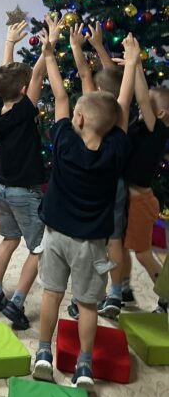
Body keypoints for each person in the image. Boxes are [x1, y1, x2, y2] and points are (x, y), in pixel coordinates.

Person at [33, 29, 138, 389]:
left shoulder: (64, 141)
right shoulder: (115, 151)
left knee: (51, 294)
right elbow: (121, 108)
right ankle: (84, 366)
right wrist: (132, 63)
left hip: (56, 237)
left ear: (77, 120)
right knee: (88, 304)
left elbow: (61, 95)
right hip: (91, 244)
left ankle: (43, 353)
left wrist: (50, 54)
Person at [0, 17, 60, 330]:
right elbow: (38, 73)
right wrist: (48, 46)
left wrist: (9, 43)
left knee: (9, 238)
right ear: (26, 90)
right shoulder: (26, 109)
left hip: (1, 189)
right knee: (39, 248)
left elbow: (6, 78)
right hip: (23, 191)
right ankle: (16, 303)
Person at [69, 22, 131, 319]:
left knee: (87, 240)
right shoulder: (119, 114)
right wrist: (101, 48)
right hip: (115, 182)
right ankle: (115, 292)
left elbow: (85, 74)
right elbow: (119, 84)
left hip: (91, 182)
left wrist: (77, 46)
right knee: (115, 238)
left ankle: (81, 296)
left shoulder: (92, 107)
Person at [121, 73, 169, 313]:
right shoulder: (140, 125)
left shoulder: (158, 130)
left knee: (143, 254)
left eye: (148, 105)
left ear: (160, 113)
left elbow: (140, 96)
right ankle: (122, 288)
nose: (141, 105)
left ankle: (166, 297)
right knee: (119, 246)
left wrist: (135, 62)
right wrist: (134, 68)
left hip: (140, 201)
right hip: (128, 198)